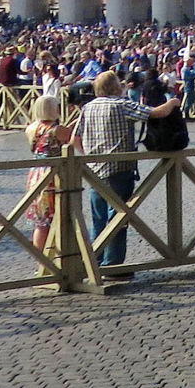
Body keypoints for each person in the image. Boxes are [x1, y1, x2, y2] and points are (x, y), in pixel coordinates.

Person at [73, 69, 174, 269]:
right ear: (115, 87)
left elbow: (74, 139)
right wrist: (173, 102)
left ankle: (96, 260)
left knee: (99, 218)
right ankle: (114, 265)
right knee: (117, 217)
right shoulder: (121, 104)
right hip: (119, 168)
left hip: (94, 170)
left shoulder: (88, 107)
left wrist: (89, 157)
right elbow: (155, 113)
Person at [21, 94, 74, 259]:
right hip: (52, 175)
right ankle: (55, 259)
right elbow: (70, 136)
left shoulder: (31, 128)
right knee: (56, 217)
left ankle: (41, 261)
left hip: (37, 172)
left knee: (41, 222)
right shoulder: (56, 130)